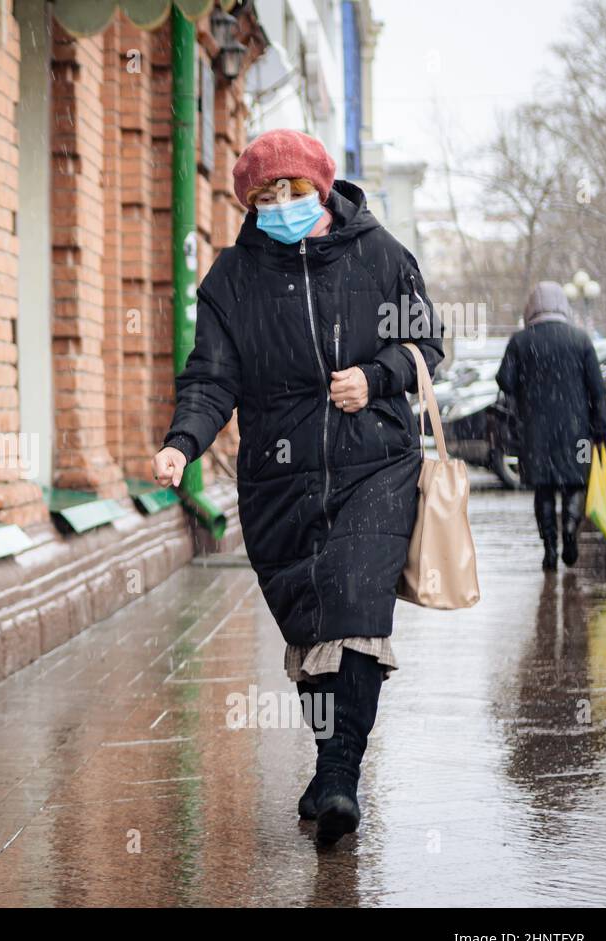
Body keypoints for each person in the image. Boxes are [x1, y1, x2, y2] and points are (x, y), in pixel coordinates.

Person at [151, 129, 444, 847]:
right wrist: (181, 442)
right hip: (278, 480)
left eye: (293, 191)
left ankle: (343, 771)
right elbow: (212, 377)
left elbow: (427, 342)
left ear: (322, 188)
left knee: (355, 602)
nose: (280, 205)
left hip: (374, 461)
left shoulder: (381, 255)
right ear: (250, 203)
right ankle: (325, 763)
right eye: (265, 195)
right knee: (311, 623)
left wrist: (376, 377)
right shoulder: (232, 278)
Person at [495, 282, 606, 570]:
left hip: (535, 432)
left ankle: (549, 548)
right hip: (577, 431)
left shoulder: (520, 341)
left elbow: (504, 381)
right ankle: (570, 530)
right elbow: (597, 389)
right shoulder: (580, 339)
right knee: (576, 483)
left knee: (542, 489)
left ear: (530, 307)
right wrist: (600, 430)